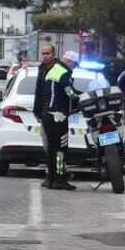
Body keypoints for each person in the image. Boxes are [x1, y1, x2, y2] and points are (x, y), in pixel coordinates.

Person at [31, 45, 78, 191]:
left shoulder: (52, 71)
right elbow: (70, 93)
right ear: (70, 62)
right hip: (58, 116)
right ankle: (59, 179)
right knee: (61, 149)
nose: (74, 68)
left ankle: (49, 178)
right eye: (75, 65)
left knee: (51, 148)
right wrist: (83, 98)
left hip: (47, 114)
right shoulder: (63, 72)